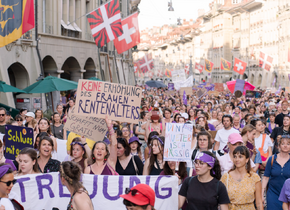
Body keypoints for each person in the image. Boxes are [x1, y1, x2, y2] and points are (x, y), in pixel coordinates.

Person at [262, 135, 290, 210]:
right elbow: (265, 178)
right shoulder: (272, 159)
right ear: (279, 145)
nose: (285, 146)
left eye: (288, 144)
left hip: (287, 197)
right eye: (283, 143)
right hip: (273, 195)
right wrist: (261, 194)